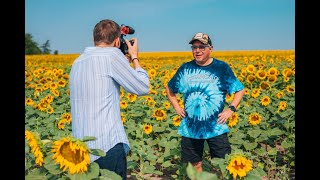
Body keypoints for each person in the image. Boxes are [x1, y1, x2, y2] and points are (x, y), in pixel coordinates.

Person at [69, 19, 150, 179]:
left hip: (80, 150)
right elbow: (142, 87)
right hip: (106, 147)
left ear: (94, 40)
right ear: (118, 40)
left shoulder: (77, 62)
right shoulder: (112, 56)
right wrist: (134, 57)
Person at [165, 32, 244, 172]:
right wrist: (176, 106)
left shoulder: (221, 68)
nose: (197, 50)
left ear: (210, 49)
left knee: (222, 165)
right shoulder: (186, 69)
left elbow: (239, 90)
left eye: (201, 47)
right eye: (194, 47)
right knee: (194, 166)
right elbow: (170, 88)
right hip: (190, 128)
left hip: (216, 126)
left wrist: (231, 109)